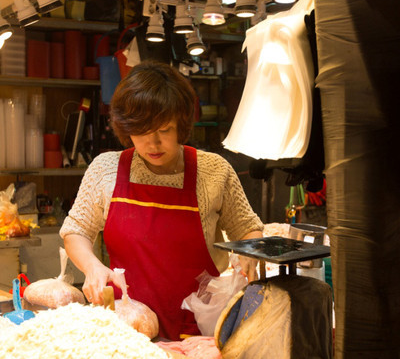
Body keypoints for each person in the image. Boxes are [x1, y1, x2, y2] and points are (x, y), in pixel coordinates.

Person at [60, 61, 263, 340]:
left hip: (198, 334)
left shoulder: (214, 171)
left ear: (181, 124)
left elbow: (248, 230)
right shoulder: (105, 169)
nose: (153, 144)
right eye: (142, 131)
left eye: (164, 130)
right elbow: (76, 230)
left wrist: (247, 255)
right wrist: (92, 266)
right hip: (126, 331)